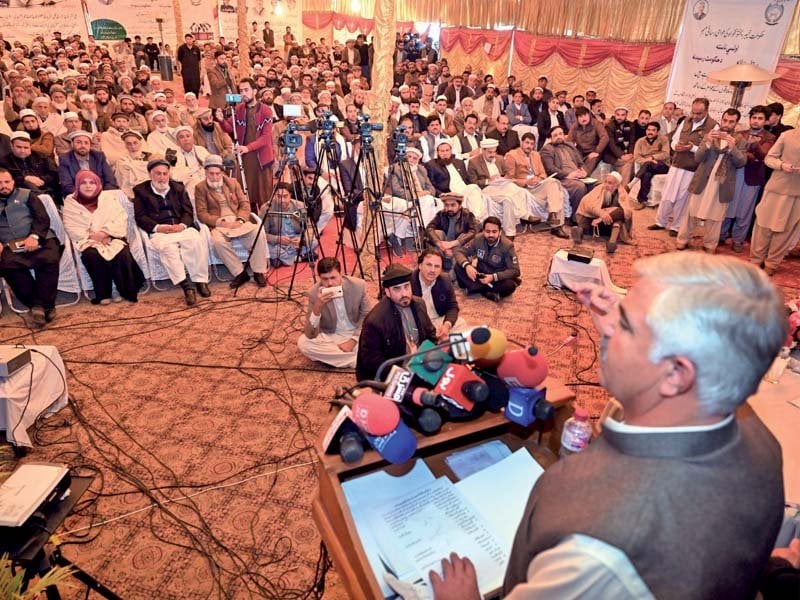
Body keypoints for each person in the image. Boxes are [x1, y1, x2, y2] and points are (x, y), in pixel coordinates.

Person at [432, 252, 786, 600]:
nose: (610, 322)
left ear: (676, 374)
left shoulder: (599, 553)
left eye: (627, 325)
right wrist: (615, 334)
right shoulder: (760, 438)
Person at [133, 159, 210, 306]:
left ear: (169, 174)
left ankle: (200, 281)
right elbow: (140, 217)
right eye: (158, 174)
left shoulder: (178, 188)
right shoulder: (141, 191)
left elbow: (188, 211)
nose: (161, 177)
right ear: (150, 174)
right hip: (160, 231)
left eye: (165, 174)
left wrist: (182, 225)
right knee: (169, 250)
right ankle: (187, 287)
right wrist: (158, 227)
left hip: (181, 228)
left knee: (196, 241)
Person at [62, 170, 144, 304]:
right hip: (88, 240)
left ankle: (120, 289)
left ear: (98, 184)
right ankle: (104, 293)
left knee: (122, 254)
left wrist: (105, 233)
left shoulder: (107, 198)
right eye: (84, 183)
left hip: (112, 236)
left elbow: (120, 217)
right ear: (77, 185)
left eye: (92, 183)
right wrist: (94, 237)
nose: (88, 186)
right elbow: (70, 225)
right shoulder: (71, 202)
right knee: (92, 255)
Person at [676, 109, 746, 254]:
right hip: (703, 181)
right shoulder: (710, 135)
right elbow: (698, 158)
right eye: (725, 120)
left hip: (722, 184)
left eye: (731, 121)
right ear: (721, 119)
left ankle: (710, 245)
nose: (726, 124)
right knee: (690, 213)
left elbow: (741, 162)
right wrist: (707, 143)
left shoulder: (740, 141)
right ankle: (682, 240)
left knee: (716, 217)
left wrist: (733, 148)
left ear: (736, 123)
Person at [0, 167, 62, 326]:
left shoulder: (27, 195)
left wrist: (34, 237)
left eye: (7, 182)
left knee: (49, 259)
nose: (4, 186)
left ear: (13, 182)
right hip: (10, 245)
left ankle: (39, 307)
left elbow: (42, 218)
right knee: (8, 266)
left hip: (39, 238)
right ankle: (44, 307)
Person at [193, 155, 268, 288]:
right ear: (205, 172)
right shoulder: (200, 188)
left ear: (222, 172)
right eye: (211, 174)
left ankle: (258, 271)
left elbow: (245, 205)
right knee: (217, 242)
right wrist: (220, 222)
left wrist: (239, 220)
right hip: (219, 223)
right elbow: (202, 213)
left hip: (237, 219)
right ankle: (240, 273)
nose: (215, 177)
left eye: (217, 173)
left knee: (258, 233)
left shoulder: (232, 183)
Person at [356, 263, 436, 382]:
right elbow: (373, 362)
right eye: (397, 289)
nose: (404, 293)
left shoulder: (419, 304)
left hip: (418, 362)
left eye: (406, 286)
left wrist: (432, 358)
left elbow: (430, 335)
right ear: (387, 292)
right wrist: (405, 374)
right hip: (391, 373)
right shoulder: (374, 321)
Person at [650, 98, 717, 236]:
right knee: (668, 194)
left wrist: (691, 148)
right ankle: (660, 222)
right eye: (693, 112)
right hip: (677, 163)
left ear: (706, 111)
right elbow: (674, 139)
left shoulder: (713, 126)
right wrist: (676, 146)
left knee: (683, 197)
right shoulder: (686, 120)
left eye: (699, 113)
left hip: (693, 168)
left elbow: (710, 150)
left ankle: (676, 226)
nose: (695, 116)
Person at [297, 257, 372, 369]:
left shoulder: (358, 286)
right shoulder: (314, 293)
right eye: (325, 279)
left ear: (341, 274)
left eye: (333, 278)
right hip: (332, 335)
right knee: (304, 343)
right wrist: (318, 306)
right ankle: (359, 360)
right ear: (319, 278)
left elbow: (367, 315)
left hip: (357, 332)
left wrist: (353, 340)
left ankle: (342, 358)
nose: (330, 283)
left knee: (379, 336)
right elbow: (310, 333)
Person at [720, 105, 775, 253]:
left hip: (752, 178)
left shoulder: (770, 138)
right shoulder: (740, 133)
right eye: (754, 118)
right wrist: (747, 155)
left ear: (765, 121)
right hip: (734, 173)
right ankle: (721, 235)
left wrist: (753, 145)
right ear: (750, 119)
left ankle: (738, 239)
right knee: (727, 206)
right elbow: (729, 151)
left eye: (760, 118)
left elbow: (764, 156)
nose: (756, 121)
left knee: (744, 210)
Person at [750, 127, 800, 276]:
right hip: (776, 188)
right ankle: (756, 260)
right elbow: (769, 158)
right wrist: (782, 165)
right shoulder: (787, 136)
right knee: (763, 225)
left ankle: (772, 263)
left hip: (797, 193)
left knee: (786, 229)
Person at [219, 78, 274, 210]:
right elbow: (229, 128)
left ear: (254, 91)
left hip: (262, 159)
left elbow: (266, 137)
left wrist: (248, 148)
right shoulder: (239, 109)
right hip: (245, 159)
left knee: (264, 197)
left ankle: (264, 226)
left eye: (246, 90)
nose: (243, 93)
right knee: (246, 193)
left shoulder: (266, 110)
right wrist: (221, 120)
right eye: (241, 91)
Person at [453, 216, 520, 302]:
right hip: (480, 272)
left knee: (509, 286)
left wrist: (493, 277)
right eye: (487, 231)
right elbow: (459, 251)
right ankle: (485, 290)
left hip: (497, 275)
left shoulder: (507, 245)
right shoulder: (478, 239)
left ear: (500, 232)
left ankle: (475, 288)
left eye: (494, 232)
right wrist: (467, 266)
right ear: (483, 231)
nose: (491, 235)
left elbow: (515, 271)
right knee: (458, 267)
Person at [572, 171, 635, 254]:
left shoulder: (622, 194)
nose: (606, 185)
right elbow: (586, 203)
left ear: (617, 185)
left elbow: (628, 212)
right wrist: (601, 213)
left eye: (610, 183)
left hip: (608, 226)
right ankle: (580, 231)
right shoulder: (599, 188)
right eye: (605, 181)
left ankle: (611, 243)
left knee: (621, 213)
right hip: (594, 224)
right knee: (586, 212)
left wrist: (602, 218)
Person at [411, 248, 465, 341]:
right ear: (420, 265)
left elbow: (452, 307)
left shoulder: (445, 280)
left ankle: (442, 344)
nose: (432, 270)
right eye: (429, 265)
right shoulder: (409, 282)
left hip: (438, 320)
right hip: (418, 324)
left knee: (461, 323)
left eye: (437, 266)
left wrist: (446, 325)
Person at [264, 182, 317, 267]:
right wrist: (277, 239)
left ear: (290, 195)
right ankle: (299, 258)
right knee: (264, 247)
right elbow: (262, 234)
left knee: (314, 241)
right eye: (279, 196)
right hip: (277, 243)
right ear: (274, 196)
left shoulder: (300, 206)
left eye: (285, 196)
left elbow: (309, 227)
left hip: (295, 241)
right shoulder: (266, 208)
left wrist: (302, 239)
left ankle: (282, 259)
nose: (282, 200)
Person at [58, 130, 118, 200]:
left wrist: (102, 196)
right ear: (72, 144)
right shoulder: (65, 159)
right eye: (78, 142)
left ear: (90, 145)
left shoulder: (99, 157)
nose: (83, 145)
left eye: (86, 143)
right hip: (78, 197)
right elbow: (67, 185)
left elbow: (110, 180)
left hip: (102, 196)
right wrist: (86, 197)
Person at [425, 192, 478, 270]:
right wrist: (439, 244)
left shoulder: (467, 215)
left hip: (458, 247)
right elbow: (429, 228)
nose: (449, 208)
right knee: (436, 234)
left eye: (453, 205)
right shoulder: (441, 214)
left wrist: (453, 244)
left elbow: (473, 231)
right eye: (446, 205)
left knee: (466, 237)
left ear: (459, 206)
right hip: (443, 246)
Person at [631, 121, 670, 207]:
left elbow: (666, 154)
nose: (650, 132)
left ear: (657, 131)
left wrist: (652, 158)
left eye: (653, 130)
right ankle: (642, 201)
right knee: (647, 174)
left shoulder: (664, 139)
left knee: (648, 164)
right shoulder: (640, 141)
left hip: (662, 166)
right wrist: (648, 160)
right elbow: (637, 157)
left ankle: (632, 183)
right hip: (647, 166)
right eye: (648, 130)